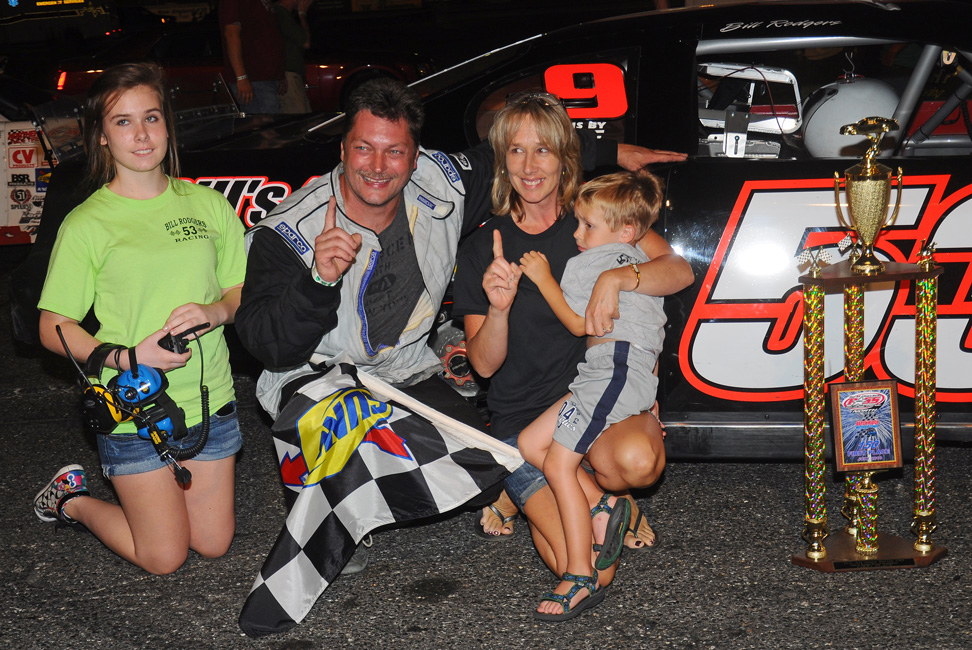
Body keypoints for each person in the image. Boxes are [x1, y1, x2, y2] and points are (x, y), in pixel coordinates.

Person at [234, 78, 685, 573]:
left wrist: (614, 172)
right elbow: (268, 347)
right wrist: (318, 280)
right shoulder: (292, 230)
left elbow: (527, 148)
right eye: (363, 148)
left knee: (553, 461)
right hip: (327, 375)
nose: (379, 166)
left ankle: (548, 488)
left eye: (395, 151)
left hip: (455, 376)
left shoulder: (584, 220)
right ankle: (340, 501)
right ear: (342, 149)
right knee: (578, 558)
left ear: (415, 156)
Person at [451, 92, 693, 591]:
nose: (529, 166)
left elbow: (678, 270)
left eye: (543, 150)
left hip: (593, 399)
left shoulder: (596, 218)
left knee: (639, 462)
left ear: (565, 156)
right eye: (516, 150)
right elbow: (484, 366)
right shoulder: (483, 246)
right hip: (523, 424)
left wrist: (619, 278)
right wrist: (498, 308)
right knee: (589, 570)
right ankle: (581, 499)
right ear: (501, 160)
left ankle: (575, 491)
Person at [32, 62, 247, 575]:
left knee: (213, 544)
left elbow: (241, 292)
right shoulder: (87, 223)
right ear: (102, 136)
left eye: (151, 117)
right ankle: (72, 500)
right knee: (164, 557)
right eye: (123, 122)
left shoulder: (209, 205)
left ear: (168, 124)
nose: (142, 134)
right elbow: (52, 326)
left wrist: (217, 310)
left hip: (209, 399)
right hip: (132, 407)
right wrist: (127, 357)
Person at [517, 171, 668, 619]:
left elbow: (577, 323)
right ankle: (603, 504)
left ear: (625, 231)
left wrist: (542, 276)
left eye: (587, 225)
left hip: (614, 369)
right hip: (608, 371)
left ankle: (579, 575)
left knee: (558, 464)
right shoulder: (638, 262)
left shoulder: (597, 263)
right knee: (531, 443)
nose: (577, 234)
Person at [219, 0, 285, 113]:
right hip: (254, 78)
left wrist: (279, 73)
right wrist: (241, 77)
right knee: (262, 122)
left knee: (270, 120)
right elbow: (231, 34)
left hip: (267, 77)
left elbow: (268, 34)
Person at [274, 0, 313, 114]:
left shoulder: (283, 14)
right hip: (288, 76)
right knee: (298, 117)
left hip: (290, 75)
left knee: (304, 115)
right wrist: (302, 14)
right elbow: (305, 42)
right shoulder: (280, 12)